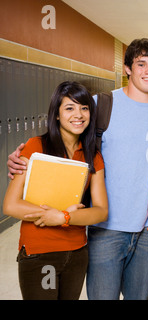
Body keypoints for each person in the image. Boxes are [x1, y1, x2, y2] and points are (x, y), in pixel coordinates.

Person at [7, 38, 148, 300]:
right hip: (105, 230)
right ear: (127, 69)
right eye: (141, 63)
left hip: (147, 231)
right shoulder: (99, 105)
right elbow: (62, 137)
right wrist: (20, 159)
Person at [3, 81, 108, 300]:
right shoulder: (36, 147)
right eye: (69, 108)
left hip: (77, 253)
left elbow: (100, 211)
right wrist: (50, 216)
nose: (78, 114)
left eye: (84, 108)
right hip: (42, 254)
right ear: (57, 115)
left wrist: (64, 217)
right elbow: (11, 204)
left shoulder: (93, 156)